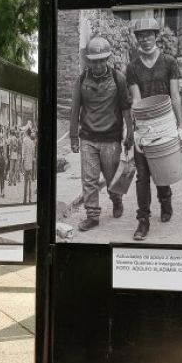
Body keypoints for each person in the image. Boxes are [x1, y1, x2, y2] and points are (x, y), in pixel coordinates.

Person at [127, 17, 182, 241]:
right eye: (141, 36)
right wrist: (137, 131)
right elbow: (136, 100)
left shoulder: (169, 62)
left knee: (163, 168)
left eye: (149, 35)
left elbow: (175, 96)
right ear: (137, 40)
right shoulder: (132, 67)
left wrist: (180, 126)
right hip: (144, 126)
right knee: (142, 176)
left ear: (156, 36)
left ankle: (165, 196)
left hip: (166, 124)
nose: (145, 39)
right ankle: (143, 220)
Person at [70, 36, 134, 231]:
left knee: (112, 178)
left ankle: (117, 200)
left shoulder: (118, 78)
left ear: (108, 59)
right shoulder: (81, 80)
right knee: (89, 179)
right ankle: (92, 215)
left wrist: (130, 132)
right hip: (88, 137)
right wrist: (74, 136)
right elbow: (75, 109)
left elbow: (125, 107)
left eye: (101, 60)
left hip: (111, 138)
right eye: (93, 60)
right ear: (88, 60)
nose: (97, 64)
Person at [21, 126, 36, 204]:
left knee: (25, 182)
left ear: (26, 133)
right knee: (30, 182)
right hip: (30, 164)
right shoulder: (32, 142)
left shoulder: (24, 140)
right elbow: (33, 154)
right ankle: (30, 199)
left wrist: (22, 163)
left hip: (25, 163)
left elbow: (23, 154)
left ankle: (24, 199)